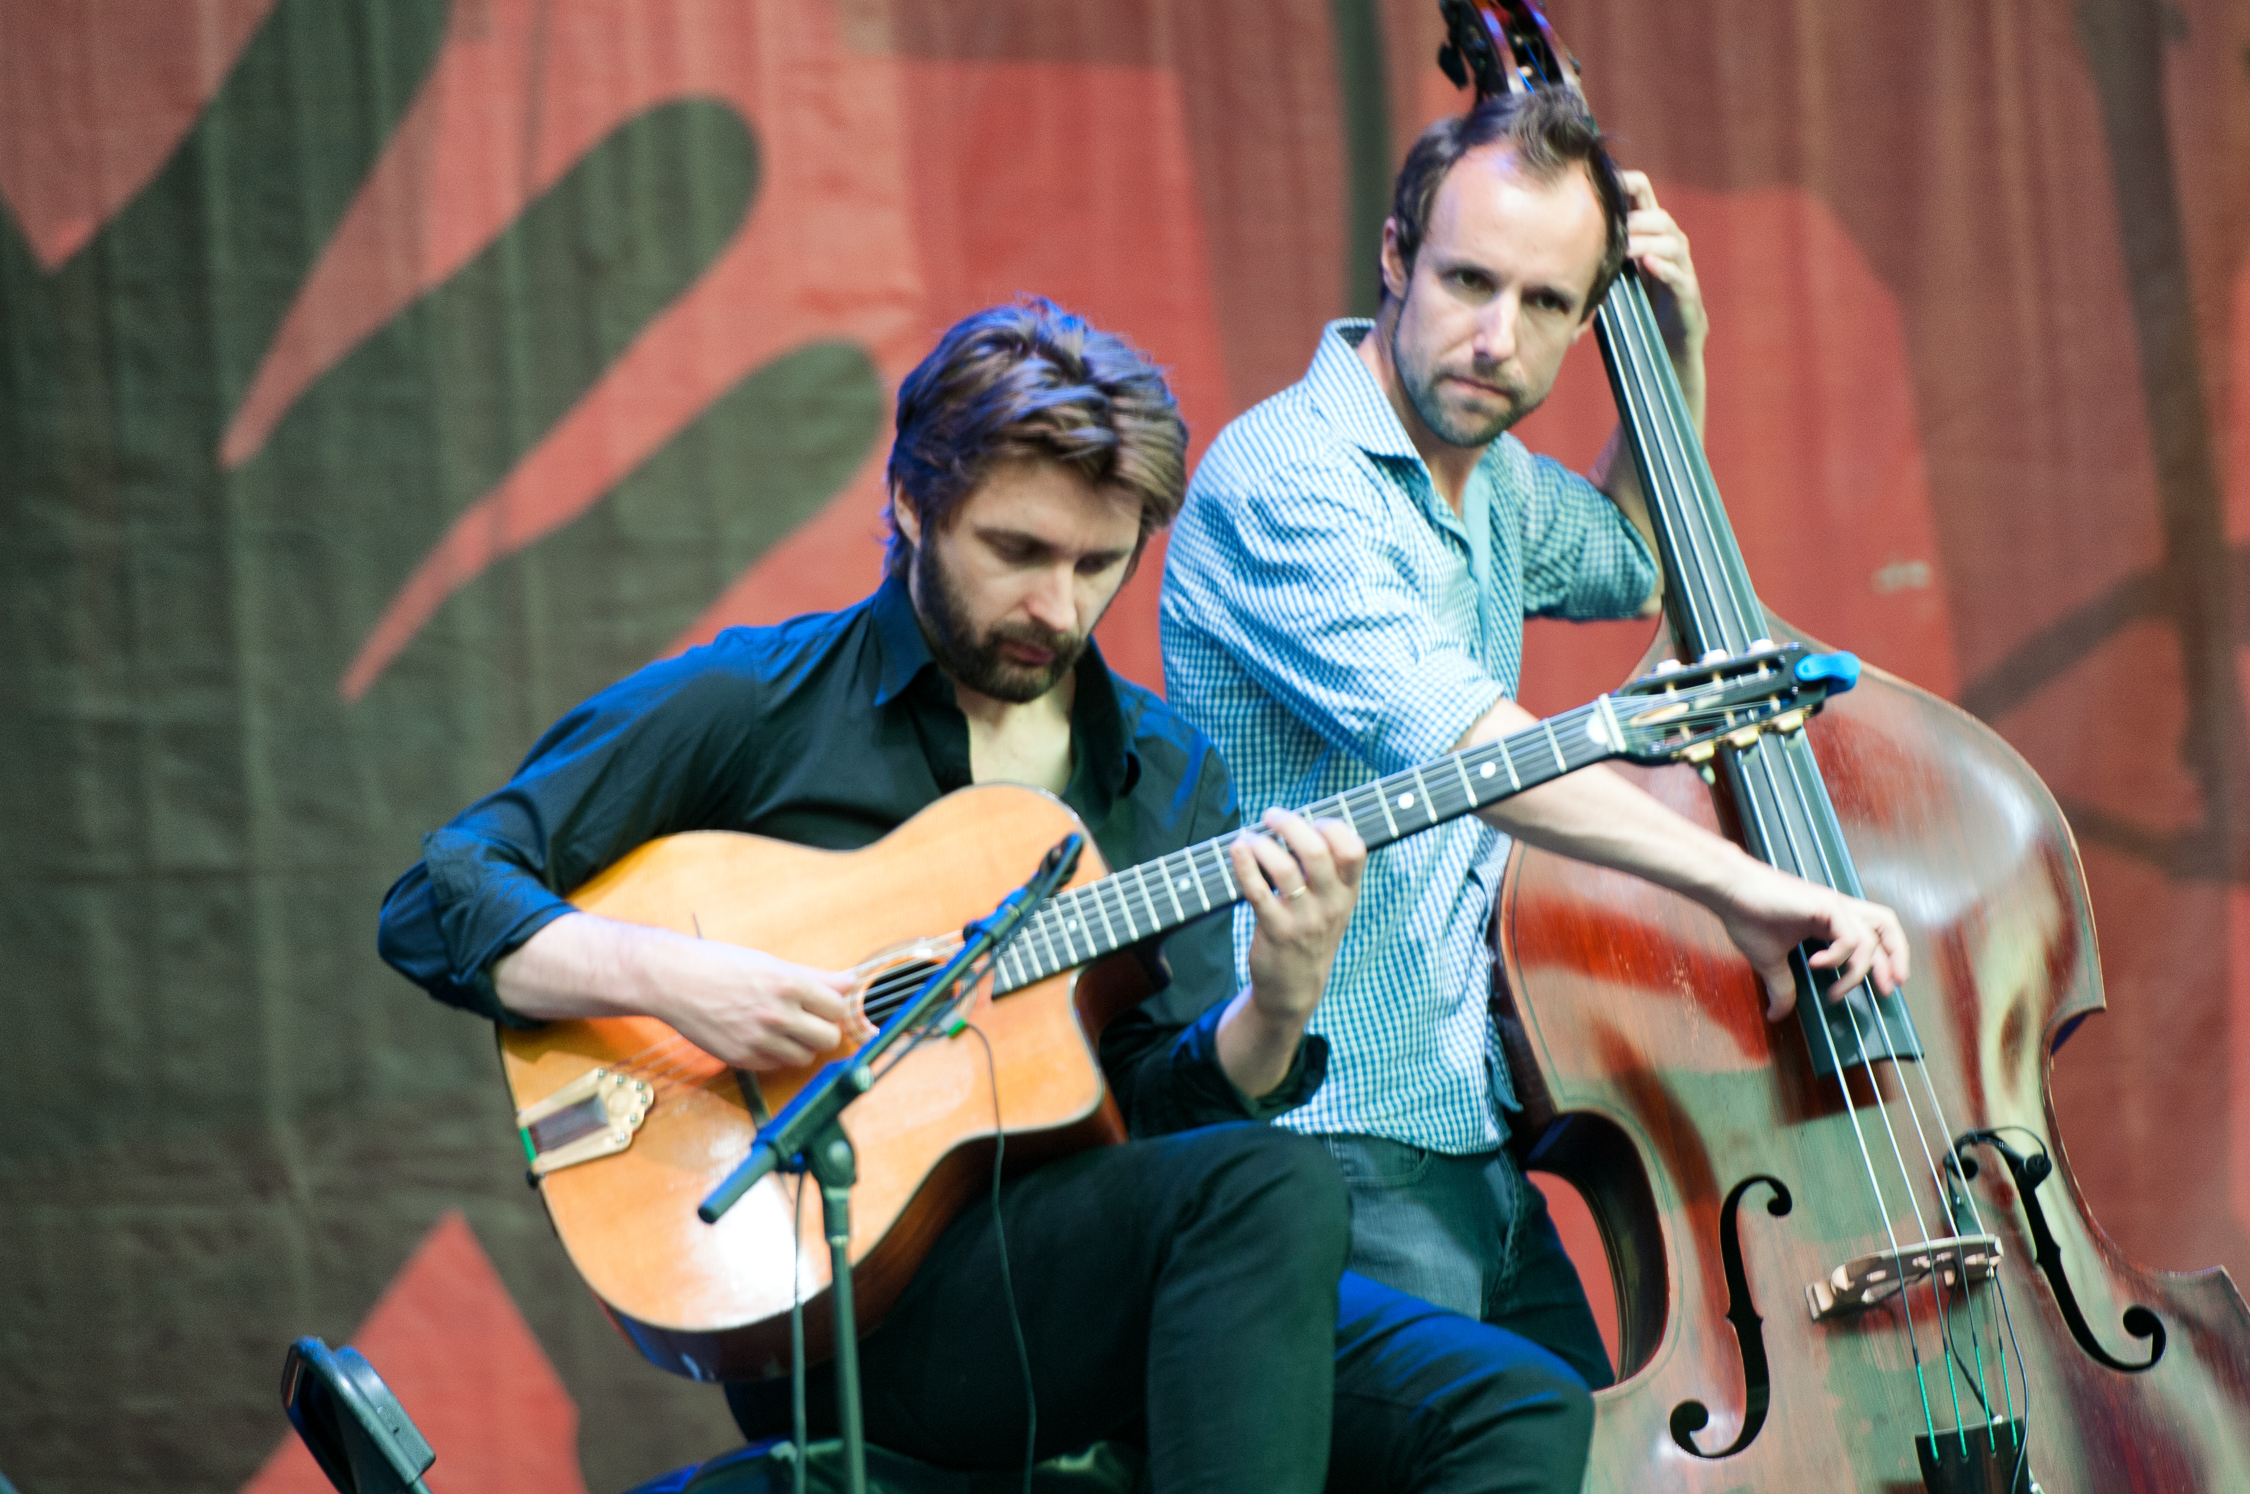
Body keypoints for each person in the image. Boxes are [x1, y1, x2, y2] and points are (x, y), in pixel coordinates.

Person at [379, 299, 1601, 1493]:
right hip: (861, 1296)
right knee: (1265, 1189)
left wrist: (1274, 1012)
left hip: (1099, 1271)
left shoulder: (1164, 773)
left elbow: (1151, 1109)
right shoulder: (758, 704)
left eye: (1096, 564)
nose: (1056, 609)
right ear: (913, 499)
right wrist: (688, 983)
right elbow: (443, 893)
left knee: (1518, 1403)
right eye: (1017, 553)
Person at [1159, 91, 1912, 1391]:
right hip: (1326, 1128)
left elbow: (1632, 557)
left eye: (1549, 305)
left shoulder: (1490, 476)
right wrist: (1752, 885)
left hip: (1471, 1124)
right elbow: (1468, 748)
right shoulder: (1288, 474)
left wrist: (1677, 341)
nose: (1495, 339)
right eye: (1466, 281)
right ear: (1394, 258)